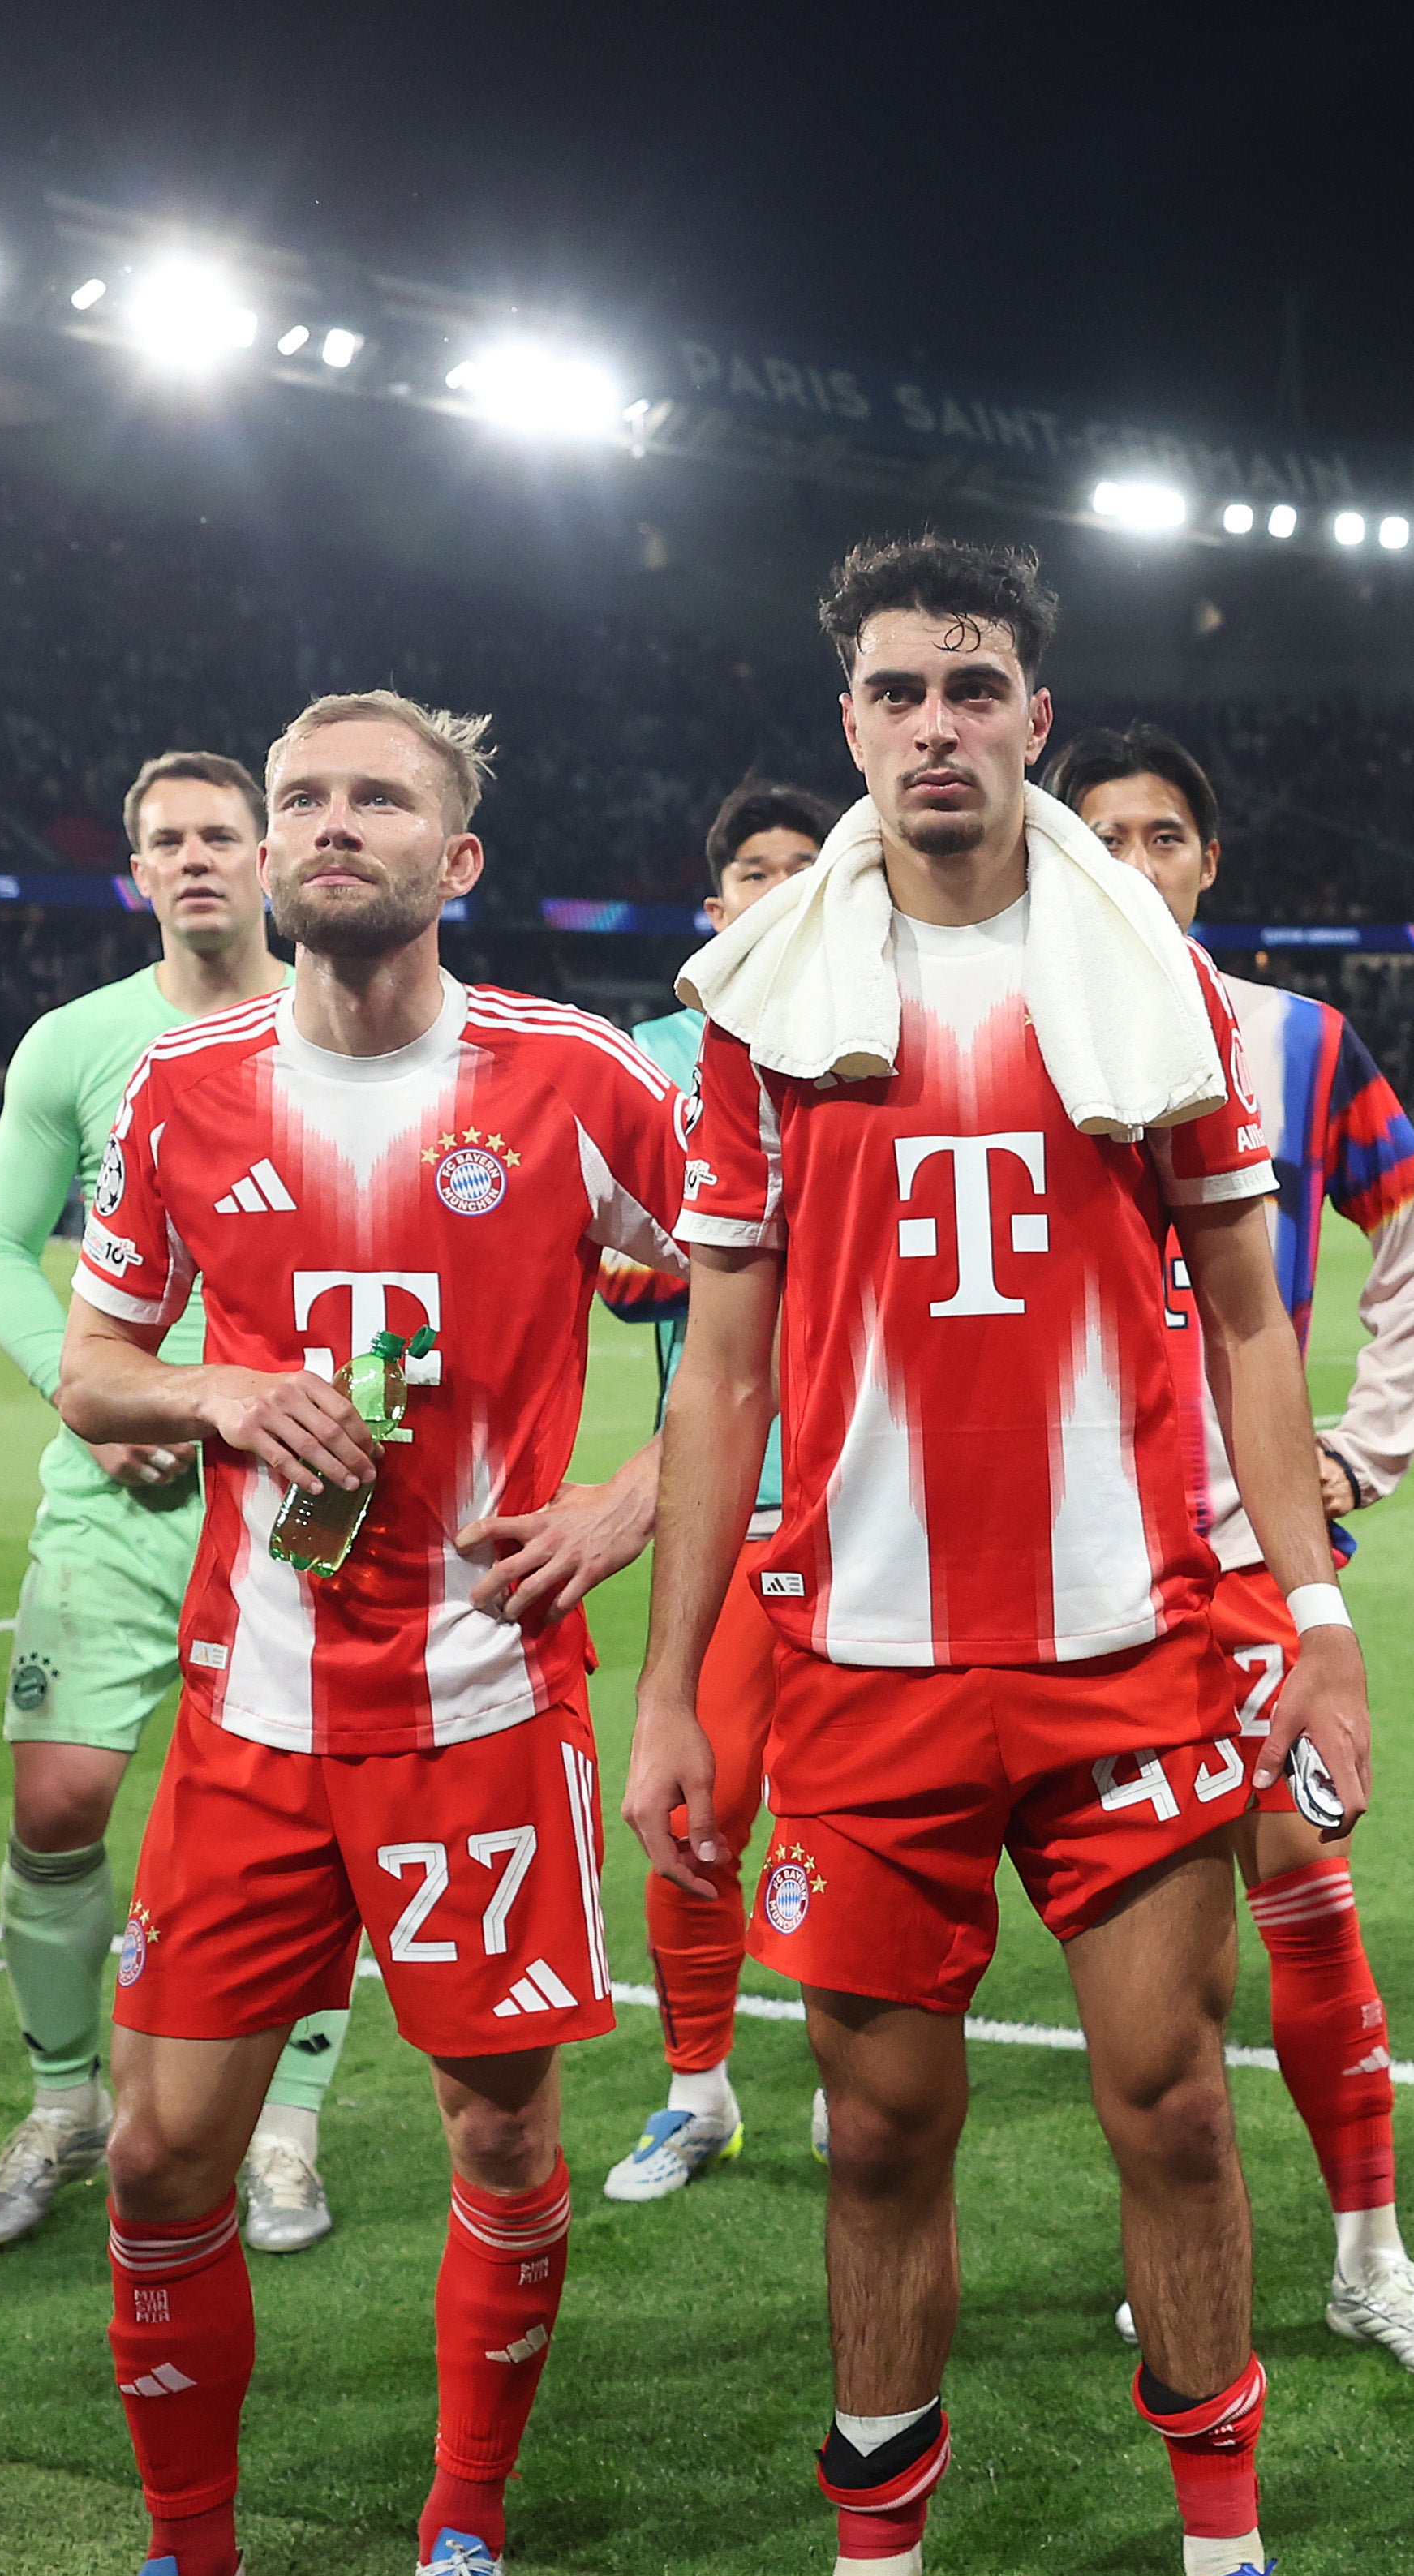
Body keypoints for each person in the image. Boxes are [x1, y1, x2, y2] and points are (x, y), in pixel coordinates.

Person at [623, 533, 1369, 2576]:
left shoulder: (1163, 991)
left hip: (1126, 1645)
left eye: (975, 686)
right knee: (878, 2133)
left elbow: (1253, 1323)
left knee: (1168, 2100)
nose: (937, 723)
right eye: (896, 691)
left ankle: (1226, 2568)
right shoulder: (762, 1011)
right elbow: (722, 1377)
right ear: (848, 725)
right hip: (858, 1662)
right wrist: (668, 1687)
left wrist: (1313, 1614)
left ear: (1036, 715)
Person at [5, 693, 681, 2576]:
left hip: (483, 1706)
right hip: (252, 1717)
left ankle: (458, 2526)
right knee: (155, 2152)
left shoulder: (576, 1078)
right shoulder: (188, 1091)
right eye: (302, 797)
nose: (326, 826)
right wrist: (210, 1391)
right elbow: (98, 1364)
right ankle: (184, 2563)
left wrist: (625, 1504)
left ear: (454, 859)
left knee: (493, 2123)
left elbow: (765, 1316)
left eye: (378, 799)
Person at [1058, 721, 1414, 2377]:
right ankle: (1177, 2243)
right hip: (1082, 1578)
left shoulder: (1298, 1043)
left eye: (1167, 834)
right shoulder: (1014, 1040)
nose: (1140, 861)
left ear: (1208, 860)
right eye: (1107, 835)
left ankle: (1370, 2253)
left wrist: (1354, 1452)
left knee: (1312, 1903)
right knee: (1148, 1960)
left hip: (1246, 1564)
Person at [0, 753, 357, 2257]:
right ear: (135, 870)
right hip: (119, 1484)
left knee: (305, 1828)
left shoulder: (341, 1021)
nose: (193, 861)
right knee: (58, 1804)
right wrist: (89, 1395)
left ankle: (288, 2129)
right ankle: (65, 2099)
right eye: (163, 841)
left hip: (296, 1485)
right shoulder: (75, 1044)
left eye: (217, 836)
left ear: (267, 858)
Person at [600, 775, 835, 2203]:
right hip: (738, 1500)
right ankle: (697, 2091)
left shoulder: (902, 1026)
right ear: (714, 904)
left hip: (886, 1502)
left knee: (861, 1821)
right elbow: (620, 1266)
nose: (784, 887)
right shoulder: (653, 1058)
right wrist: (757, 1232)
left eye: (810, 865)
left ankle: (849, 2060)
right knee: (697, 1807)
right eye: (756, 869)